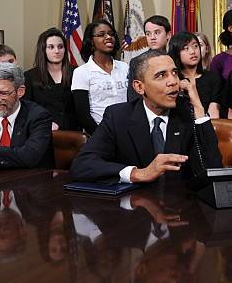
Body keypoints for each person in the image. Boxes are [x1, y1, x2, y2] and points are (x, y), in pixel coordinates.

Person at [70, 50, 222, 183]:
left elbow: (214, 170)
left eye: (175, 73)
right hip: (134, 208)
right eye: (161, 75)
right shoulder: (117, 116)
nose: (173, 81)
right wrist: (138, 173)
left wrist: (198, 107)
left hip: (181, 208)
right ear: (139, 87)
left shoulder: (188, 114)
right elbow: (82, 165)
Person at [72, 20, 128, 134]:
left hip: (127, 131)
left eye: (111, 34)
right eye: (101, 34)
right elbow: (83, 115)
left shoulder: (125, 67)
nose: (108, 37)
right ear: (91, 41)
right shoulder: (81, 72)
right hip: (99, 133)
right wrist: (101, 136)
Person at [25, 28, 79, 131]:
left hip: (74, 135)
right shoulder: (30, 77)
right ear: (43, 50)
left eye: (60, 47)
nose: (57, 51)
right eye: (51, 47)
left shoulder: (77, 73)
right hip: (42, 134)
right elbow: (26, 109)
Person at [168, 31, 222, 118]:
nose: (193, 51)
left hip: (206, 127)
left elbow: (213, 117)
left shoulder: (213, 78)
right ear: (176, 53)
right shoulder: (173, 81)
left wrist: (193, 93)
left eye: (196, 46)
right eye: (186, 48)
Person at [127, 15, 172, 102]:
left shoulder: (175, 59)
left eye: (157, 32)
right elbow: (133, 96)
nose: (152, 37)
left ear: (168, 35)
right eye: (148, 34)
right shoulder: (137, 62)